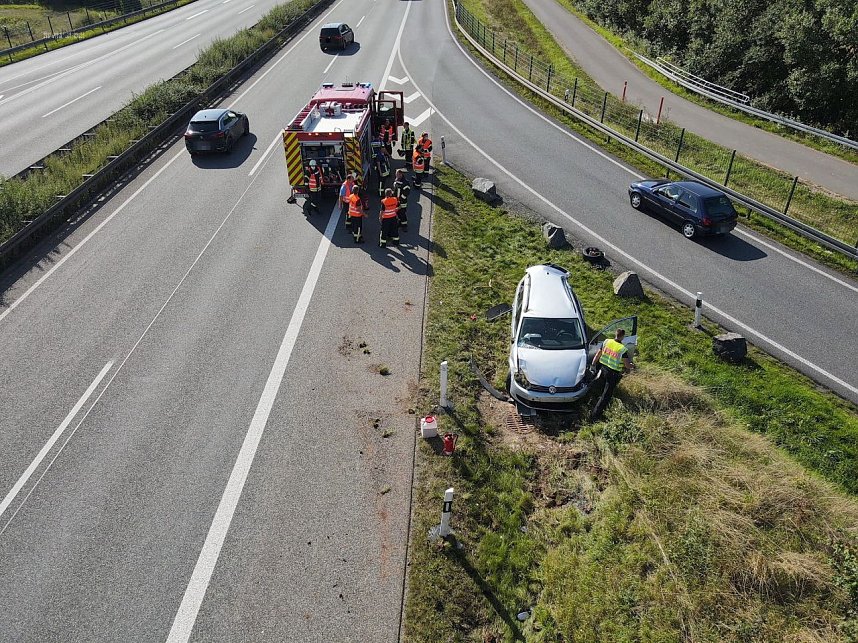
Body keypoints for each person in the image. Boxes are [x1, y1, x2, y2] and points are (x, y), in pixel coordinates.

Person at [589, 328, 634, 419]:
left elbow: (598, 354)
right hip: (613, 374)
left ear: (615, 334)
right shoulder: (622, 349)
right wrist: (632, 366)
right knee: (606, 396)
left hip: (603, 369)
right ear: (622, 337)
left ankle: (589, 404)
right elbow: (627, 365)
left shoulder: (606, 342)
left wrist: (593, 365)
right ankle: (595, 416)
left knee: (598, 388)